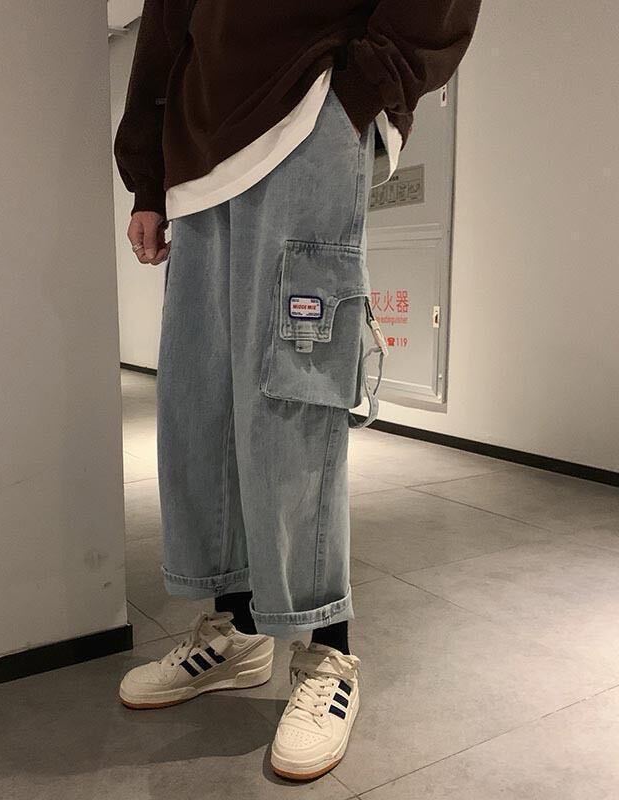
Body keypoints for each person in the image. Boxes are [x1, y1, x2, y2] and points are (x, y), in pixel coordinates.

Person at [113, 0, 481, 780]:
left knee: (293, 398)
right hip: (197, 153)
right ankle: (239, 630)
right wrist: (147, 175)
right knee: (200, 407)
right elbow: (167, 18)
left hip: (309, 108)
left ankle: (327, 653)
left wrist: (363, 89)